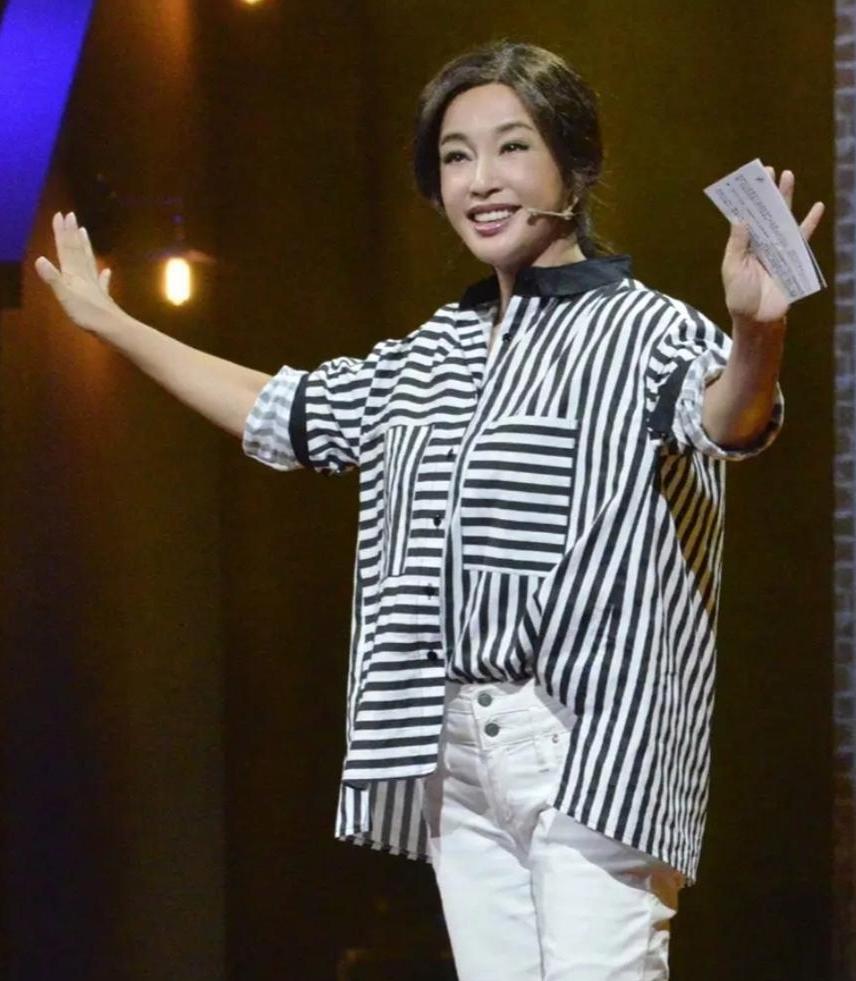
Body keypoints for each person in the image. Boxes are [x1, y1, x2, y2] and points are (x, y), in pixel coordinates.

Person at [36, 39, 824, 981]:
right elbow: (282, 411)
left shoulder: (646, 330)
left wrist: (757, 333)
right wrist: (113, 324)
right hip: (452, 744)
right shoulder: (429, 353)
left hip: (590, 744)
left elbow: (728, 418)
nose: (480, 180)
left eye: (512, 147)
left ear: (574, 167)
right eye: (455, 156)